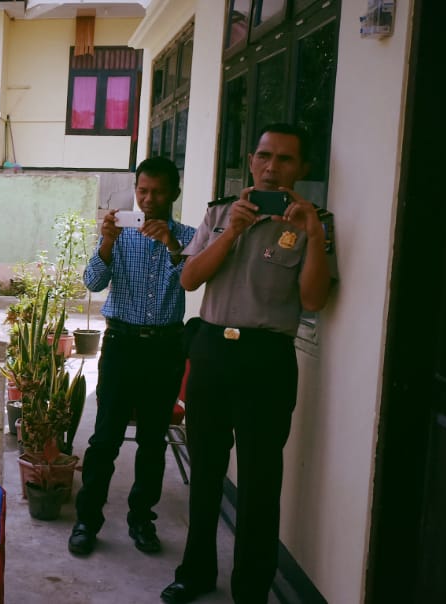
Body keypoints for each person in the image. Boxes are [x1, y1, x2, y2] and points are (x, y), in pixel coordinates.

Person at [160, 123, 337, 604]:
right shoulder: (220, 213)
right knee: (207, 474)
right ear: (251, 161)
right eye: (264, 156)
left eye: (284, 159)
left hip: (267, 360)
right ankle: (194, 573)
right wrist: (231, 233)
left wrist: (314, 234)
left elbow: (315, 298)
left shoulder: (312, 223)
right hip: (213, 352)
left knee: (260, 483)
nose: (272, 167)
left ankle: (251, 591)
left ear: (301, 169)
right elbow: (189, 279)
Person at [69, 156, 195, 558]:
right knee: (104, 437)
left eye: (158, 191)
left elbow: (194, 280)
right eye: (142, 191)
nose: (149, 200)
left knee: (153, 441)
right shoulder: (120, 232)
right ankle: (88, 519)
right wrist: (106, 241)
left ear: (174, 192)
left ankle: (142, 520)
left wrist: (172, 246)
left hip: (165, 347)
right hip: (121, 345)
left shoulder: (190, 237)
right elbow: (92, 282)